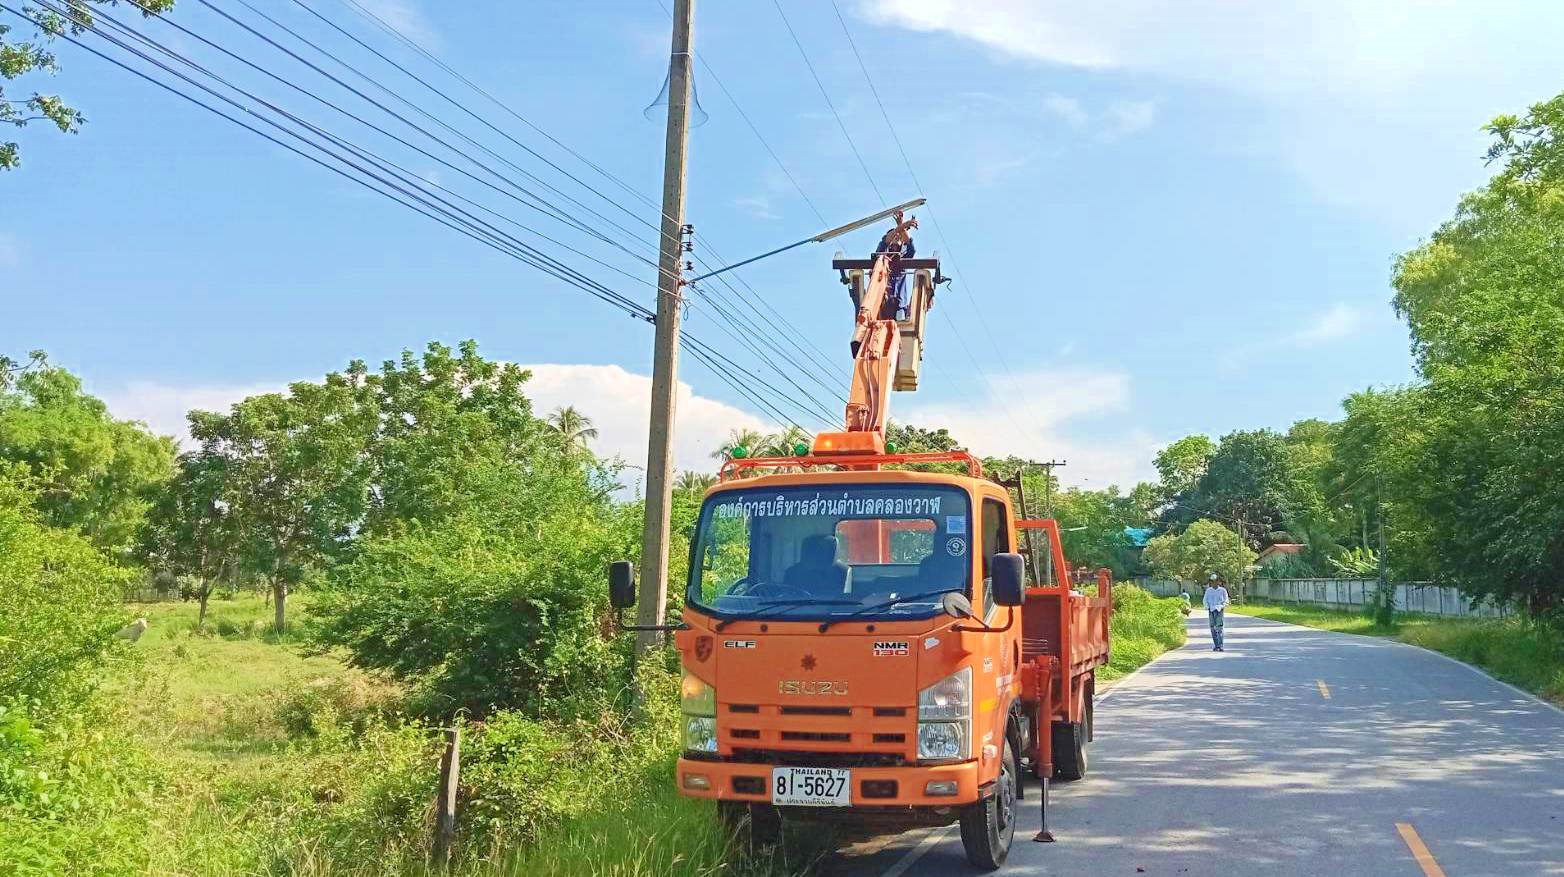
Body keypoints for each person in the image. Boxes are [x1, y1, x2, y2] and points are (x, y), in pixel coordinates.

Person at [1203, 574, 1230, 651]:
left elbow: (1226, 600)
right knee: (1213, 628)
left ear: (1218, 582)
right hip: (1211, 610)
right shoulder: (1208, 591)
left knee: (1219, 628)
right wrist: (1207, 607)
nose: (1214, 583)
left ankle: (1221, 645)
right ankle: (1216, 645)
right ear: (1210, 582)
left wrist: (1222, 606)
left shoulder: (1222, 590)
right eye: (1212, 581)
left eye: (1216, 581)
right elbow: (1205, 600)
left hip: (1219, 610)